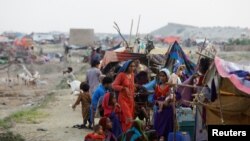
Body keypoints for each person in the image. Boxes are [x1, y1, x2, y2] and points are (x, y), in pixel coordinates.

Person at [112, 60, 136, 132]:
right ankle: (126, 134)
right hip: (123, 99)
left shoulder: (132, 75)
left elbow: (131, 86)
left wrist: (133, 90)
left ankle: (125, 134)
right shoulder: (121, 75)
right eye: (130, 66)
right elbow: (114, 85)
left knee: (128, 117)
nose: (132, 68)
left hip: (131, 100)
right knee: (128, 117)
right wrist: (123, 88)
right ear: (126, 66)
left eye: (133, 66)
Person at [153, 68, 174, 140]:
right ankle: (160, 136)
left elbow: (174, 97)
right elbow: (154, 99)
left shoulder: (170, 86)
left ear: (167, 76)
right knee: (157, 118)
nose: (161, 77)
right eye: (160, 76)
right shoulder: (157, 87)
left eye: (163, 76)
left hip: (167, 109)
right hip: (159, 109)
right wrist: (157, 102)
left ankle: (163, 137)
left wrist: (168, 101)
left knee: (166, 124)